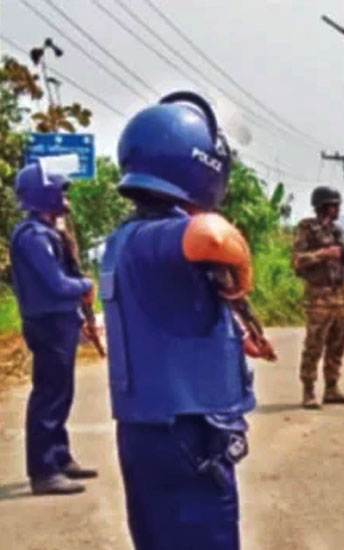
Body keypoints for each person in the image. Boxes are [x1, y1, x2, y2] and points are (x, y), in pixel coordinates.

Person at [101, 92, 261, 550]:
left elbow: (168, 315)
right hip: (186, 434)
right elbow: (214, 235)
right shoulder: (160, 237)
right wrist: (245, 273)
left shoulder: (128, 239)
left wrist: (234, 338)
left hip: (150, 432)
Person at [10, 162, 98, 495]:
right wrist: (85, 284)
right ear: (44, 194)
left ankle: (59, 457)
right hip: (48, 324)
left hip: (59, 322)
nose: (65, 196)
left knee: (62, 393)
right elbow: (56, 283)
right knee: (50, 396)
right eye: (59, 190)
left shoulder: (47, 232)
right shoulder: (33, 237)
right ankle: (44, 471)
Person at [292, 186, 344, 409]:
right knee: (314, 344)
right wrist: (323, 254)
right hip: (318, 295)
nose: (337, 209)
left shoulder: (336, 232)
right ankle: (309, 391)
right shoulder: (307, 228)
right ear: (324, 206)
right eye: (334, 205)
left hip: (338, 295)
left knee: (337, 342)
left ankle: (332, 388)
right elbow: (297, 261)